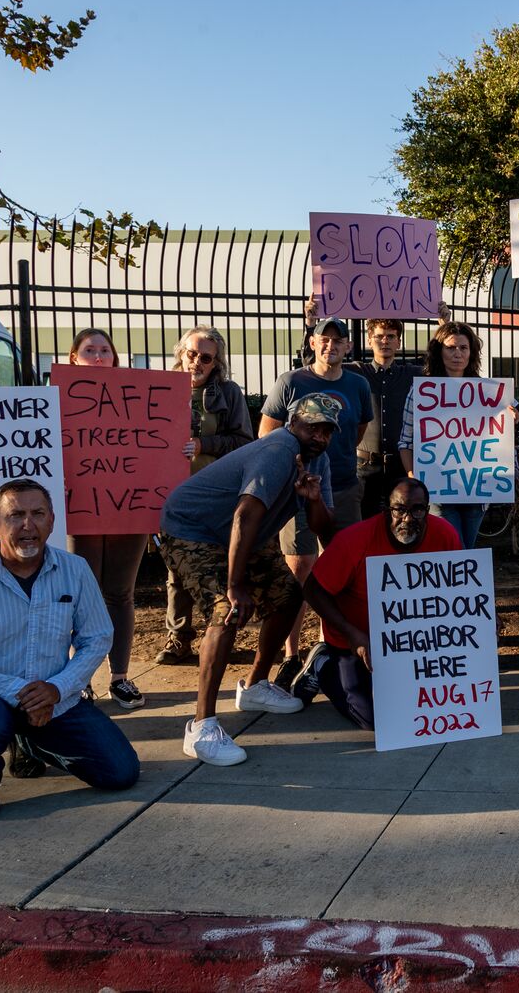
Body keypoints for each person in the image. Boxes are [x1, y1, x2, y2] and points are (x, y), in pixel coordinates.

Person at [0, 479, 140, 821]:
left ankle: (29, 741)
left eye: (38, 513)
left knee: (121, 772)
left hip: (53, 695)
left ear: (52, 521)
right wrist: (18, 692)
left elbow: (97, 637)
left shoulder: (75, 570)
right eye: (15, 515)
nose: (28, 525)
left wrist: (58, 688)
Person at [157, 394, 340, 765]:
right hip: (193, 528)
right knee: (226, 610)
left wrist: (314, 499)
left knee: (289, 594)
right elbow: (244, 515)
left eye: (327, 430)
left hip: (243, 536)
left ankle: (255, 686)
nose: (320, 436)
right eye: (313, 426)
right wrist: (235, 583)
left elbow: (326, 531)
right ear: (294, 423)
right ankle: (201, 725)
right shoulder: (278, 450)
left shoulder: (317, 459)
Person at [290, 477, 463, 727]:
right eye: (399, 509)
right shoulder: (355, 540)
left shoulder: (445, 534)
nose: (407, 518)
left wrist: (483, 615)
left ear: (427, 510)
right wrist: (351, 634)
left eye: (417, 510)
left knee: (429, 707)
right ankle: (324, 666)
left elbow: (459, 588)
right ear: (386, 510)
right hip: (356, 642)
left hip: (415, 644)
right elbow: (313, 590)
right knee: (373, 719)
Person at [258, 316, 374, 671]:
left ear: (348, 347)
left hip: (344, 487)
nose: (331, 345)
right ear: (312, 342)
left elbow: (357, 430)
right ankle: (291, 654)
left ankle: (331, 646)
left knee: (343, 568)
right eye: (325, 339)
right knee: (300, 568)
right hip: (296, 491)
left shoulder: (357, 384)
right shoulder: (290, 381)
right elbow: (267, 434)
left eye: (338, 340)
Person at [60, 329, 148, 709]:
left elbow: (155, 445)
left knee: (120, 593)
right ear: (73, 358)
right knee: (81, 596)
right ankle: (79, 679)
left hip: (131, 506)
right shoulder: (57, 399)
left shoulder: (140, 396)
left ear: (114, 357)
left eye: (104, 350)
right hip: (82, 507)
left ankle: (120, 677)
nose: (97, 356)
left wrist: (186, 446)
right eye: (89, 350)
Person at [159, 326, 253, 666]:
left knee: (220, 566)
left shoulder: (227, 393)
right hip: (171, 496)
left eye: (206, 357)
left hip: (214, 497)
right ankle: (179, 637)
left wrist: (205, 444)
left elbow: (244, 441)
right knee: (176, 569)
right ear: (181, 352)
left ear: (217, 363)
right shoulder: (160, 389)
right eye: (192, 353)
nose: (196, 361)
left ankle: (223, 634)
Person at [397, 322, 516, 548]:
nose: (457, 354)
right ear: (439, 351)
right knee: (453, 549)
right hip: (438, 490)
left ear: (472, 353)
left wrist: (512, 417)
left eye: (463, 347)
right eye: (451, 348)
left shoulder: (488, 390)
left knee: (467, 550)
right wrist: (416, 477)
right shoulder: (422, 392)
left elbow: (504, 428)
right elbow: (405, 441)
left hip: (476, 491)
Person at [348, 317, 422, 517]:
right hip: (364, 467)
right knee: (364, 525)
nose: (385, 341)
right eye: (379, 336)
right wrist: (311, 325)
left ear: (399, 342)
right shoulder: (355, 372)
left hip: (400, 466)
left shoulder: (413, 373)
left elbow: (450, 371)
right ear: (369, 340)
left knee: (400, 523)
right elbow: (317, 365)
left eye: (391, 336)